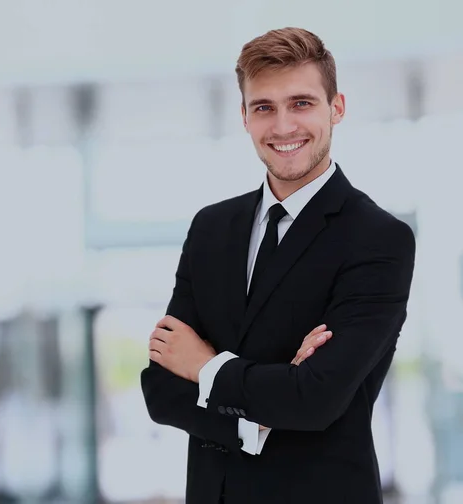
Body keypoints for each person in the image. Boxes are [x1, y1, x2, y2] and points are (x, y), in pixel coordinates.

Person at [140, 27, 416, 504]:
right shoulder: (211, 228)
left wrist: (204, 366)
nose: (284, 126)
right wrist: (260, 416)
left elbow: (316, 399)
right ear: (244, 117)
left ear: (337, 108)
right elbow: (161, 387)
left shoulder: (378, 239)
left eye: (302, 103)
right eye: (264, 107)